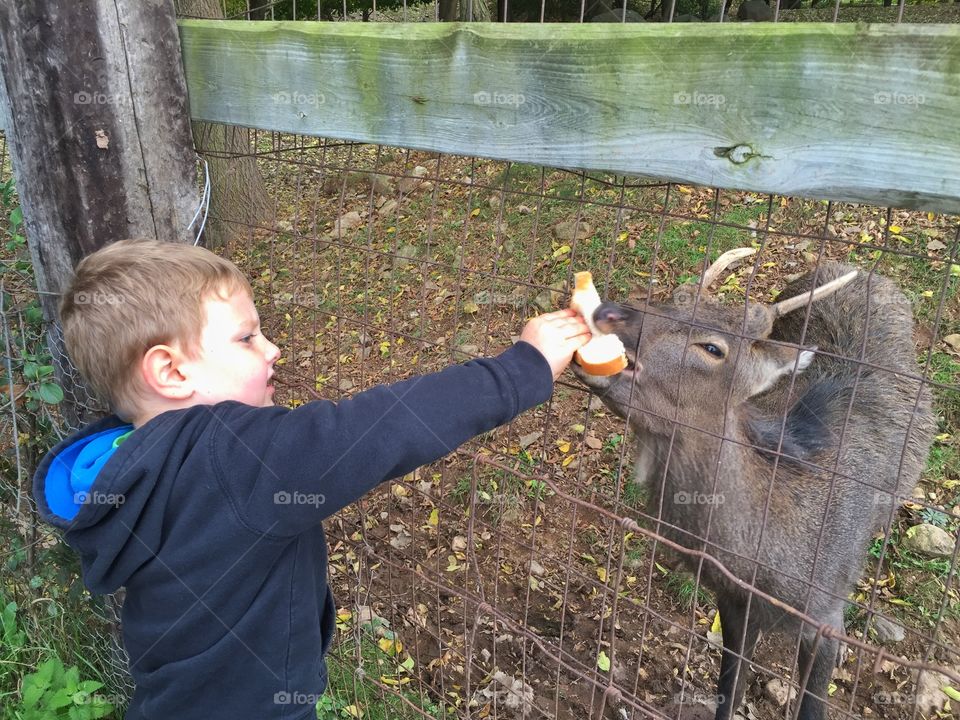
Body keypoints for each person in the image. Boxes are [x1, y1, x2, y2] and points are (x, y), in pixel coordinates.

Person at [33, 239, 591, 719]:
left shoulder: (125, 463)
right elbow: (378, 430)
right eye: (247, 338)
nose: (273, 348)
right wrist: (523, 366)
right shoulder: (232, 456)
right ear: (172, 372)